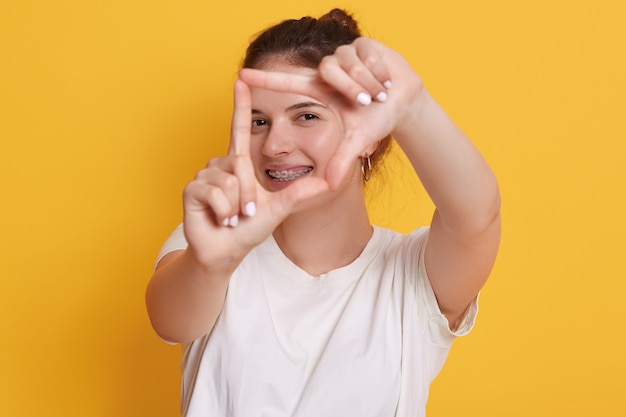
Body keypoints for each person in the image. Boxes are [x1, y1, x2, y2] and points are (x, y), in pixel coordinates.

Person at [145, 8, 501, 417]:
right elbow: (170, 323)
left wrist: (413, 107)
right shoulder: (212, 243)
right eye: (258, 121)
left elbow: (477, 216)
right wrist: (210, 264)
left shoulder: (414, 276)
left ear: (366, 133)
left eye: (307, 116)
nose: (274, 144)